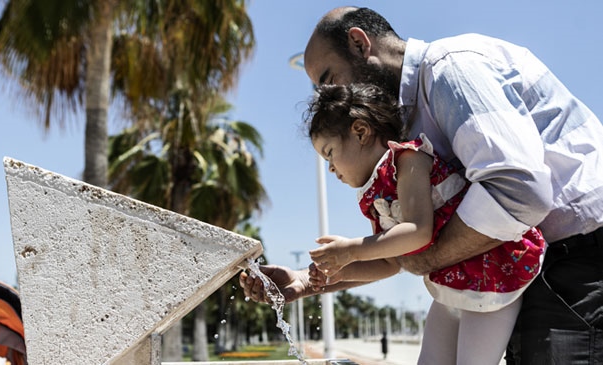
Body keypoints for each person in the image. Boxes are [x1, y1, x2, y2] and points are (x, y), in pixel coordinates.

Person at [239, 6, 603, 364]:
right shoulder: (405, 137)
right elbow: (395, 255)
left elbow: (520, 189)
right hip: (527, 267)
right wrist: (307, 280)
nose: (329, 97)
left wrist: (425, 258)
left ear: (359, 43)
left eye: (329, 79)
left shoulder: (453, 68)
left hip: (582, 258)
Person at [304, 82, 545, 364]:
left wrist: (351, 250)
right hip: (449, 283)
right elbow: (390, 262)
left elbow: (418, 232)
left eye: (329, 152)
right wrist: (340, 270)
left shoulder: (409, 158)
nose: (330, 168)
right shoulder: (375, 196)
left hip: (491, 271)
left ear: (360, 132)